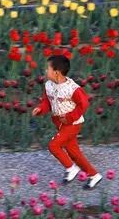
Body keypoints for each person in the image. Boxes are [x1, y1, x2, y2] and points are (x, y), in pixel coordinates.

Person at [32, 54, 103, 189]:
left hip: (72, 124)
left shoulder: (72, 88)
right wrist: (40, 109)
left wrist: (70, 117)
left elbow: (84, 104)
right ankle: (94, 175)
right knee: (74, 153)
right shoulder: (49, 85)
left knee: (54, 145)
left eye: (48, 69)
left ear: (57, 72)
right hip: (60, 123)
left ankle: (71, 168)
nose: (46, 71)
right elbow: (47, 101)